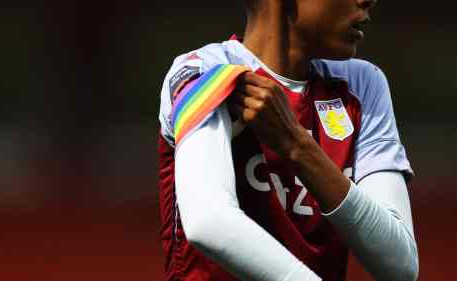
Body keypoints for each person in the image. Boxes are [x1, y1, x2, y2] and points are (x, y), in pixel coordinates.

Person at [157, 0, 419, 280]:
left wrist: (298, 147)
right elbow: (208, 222)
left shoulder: (360, 85)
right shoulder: (204, 72)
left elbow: (400, 265)